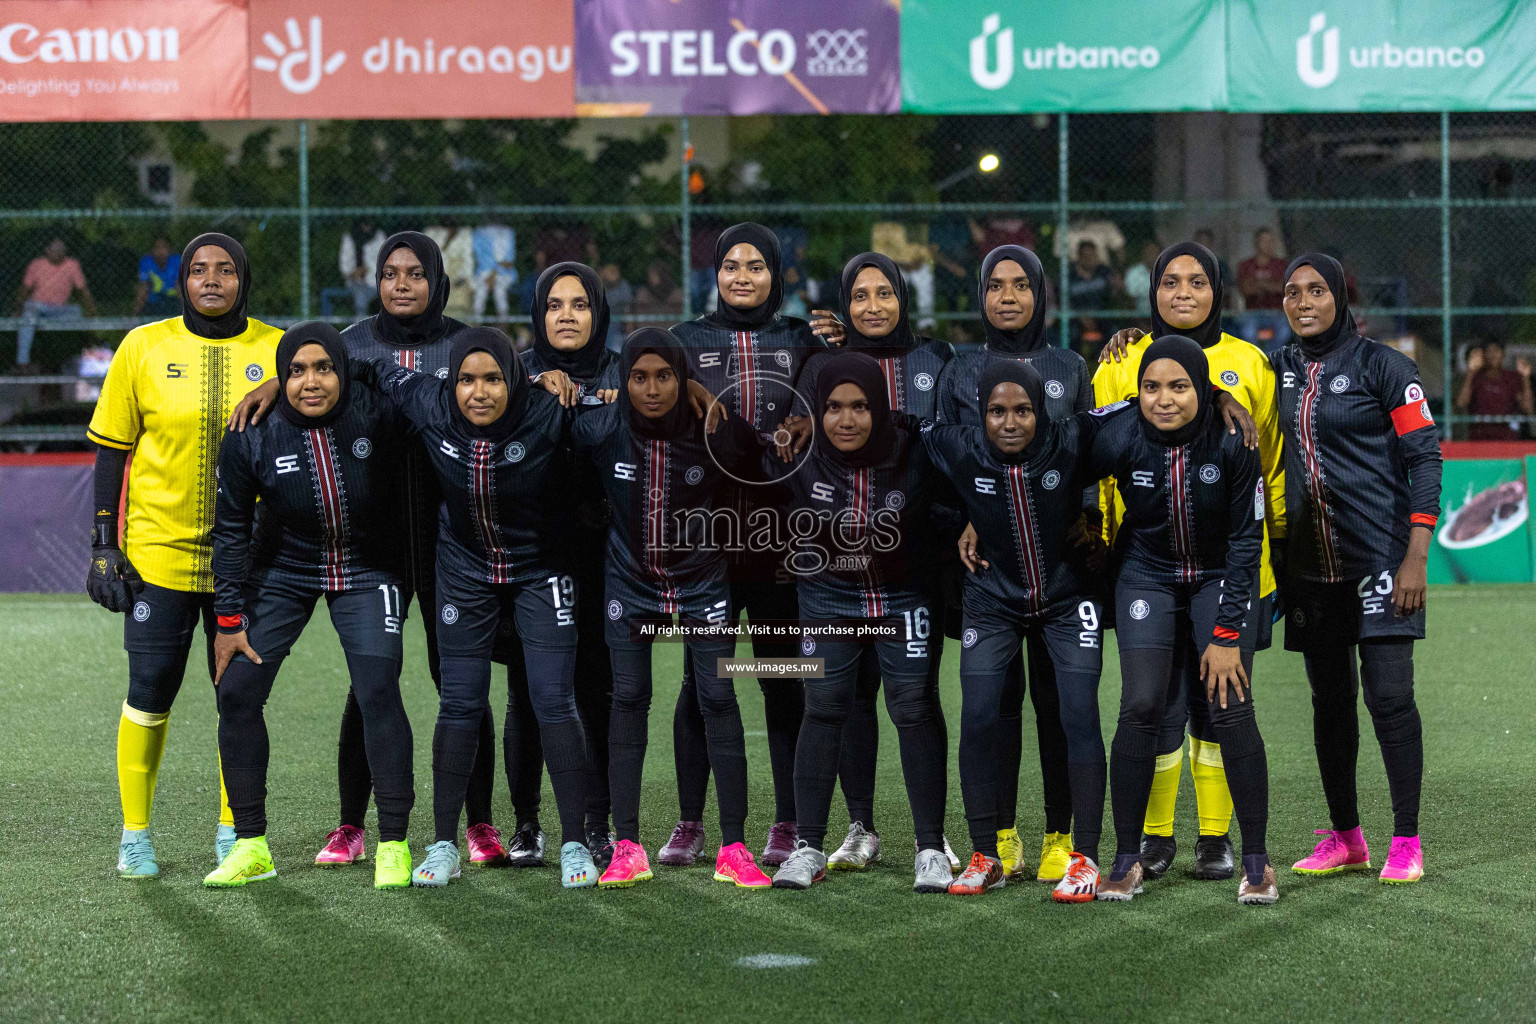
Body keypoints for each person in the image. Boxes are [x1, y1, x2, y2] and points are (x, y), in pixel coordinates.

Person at [346, 328, 594, 889]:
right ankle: (443, 846)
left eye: (493, 379)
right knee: (459, 703)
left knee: (553, 701)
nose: (477, 392)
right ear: (451, 382)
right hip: (463, 571)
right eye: (466, 380)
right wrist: (269, 390)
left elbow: (627, 413)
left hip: (541, 568)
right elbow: (362, 364)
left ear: (515, 380)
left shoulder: (552, 409)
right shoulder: (428, 401)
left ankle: (576, 842)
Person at [85, 232, 280, 879]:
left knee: (238, 696)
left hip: (244, 564)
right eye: (199, 269)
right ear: (183, 280)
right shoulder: (143, 346)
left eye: (226, 269)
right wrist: (104, 545)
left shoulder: (279, 350)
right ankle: (135, 835)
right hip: (158, 559)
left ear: (243, 280)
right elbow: (112, 450)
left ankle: (235, 831)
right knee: (149, 690)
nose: (213, 280)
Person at [1094, 241, 1284, 882]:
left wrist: (1271, 562)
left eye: (1197, 282)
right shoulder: (1122, 361)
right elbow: (1077, 451)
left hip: (1230, 568)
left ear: (1217, 289)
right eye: (1168, 282)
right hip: (1144, 565)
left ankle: (1221, 842)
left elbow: (1271, 469)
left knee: (1221, 704)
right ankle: (1144, 844)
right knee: (1151, 705)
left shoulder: (1250, 365)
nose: (1182, 293)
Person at [204, 324, 415, 890]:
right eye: (294, 371)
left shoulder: (378, 411)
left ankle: (394, 843)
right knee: (238, 691)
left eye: (324, 368)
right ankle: (251, 845)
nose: (310, 382)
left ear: (343, 371)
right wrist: (228, 619)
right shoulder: (251, 431)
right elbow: (227, 531)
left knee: (377, 690)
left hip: (369, 568)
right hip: (284, 568)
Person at [659, 223, 842, 869]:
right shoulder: (685, 341)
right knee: (699, 683)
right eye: (731, 264)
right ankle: (689, 821)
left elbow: (842, 404)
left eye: (756, 265)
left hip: (780, 537)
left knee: (780, 677)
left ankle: (788, 822)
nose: (742, 276)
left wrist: (843, 349)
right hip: (707, 538)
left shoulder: (804, 338)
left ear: (777, 273)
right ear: (715, 272)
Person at [573, 330, 769, 890]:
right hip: (629, 585)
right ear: (623, 380)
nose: (652, 389)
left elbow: (762, 455)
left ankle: (734, 846)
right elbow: (545, 427)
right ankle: (627, 845)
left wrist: (717, 406)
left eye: (665, 376)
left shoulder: (711, 429)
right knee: (629, 699)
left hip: (703, 582)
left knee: (718, 698)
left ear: (681, 378)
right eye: (639, 377)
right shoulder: (601, 426)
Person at [782, 253, 955, 874]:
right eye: (860, 295)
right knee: (834, 703)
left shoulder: (937, 365)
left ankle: (930, 843)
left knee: (913, 704)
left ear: (904, 299)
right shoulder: (818, 365)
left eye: (886, 293)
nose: (874, 305)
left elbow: (958, 457)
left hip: (910, 577)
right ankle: (844, 831)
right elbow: (776, 451)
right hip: (829, 587)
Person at [920, 360, 1117, 899]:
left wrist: (1218, 399)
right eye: (997, 411)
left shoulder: (1073, 437)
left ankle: (1086, 858)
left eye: (1024, 410)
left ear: (1043, 411)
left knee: (1078, 716)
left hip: (1067, 599)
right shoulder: (958, 445)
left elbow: (1136, 410)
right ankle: (986, 854)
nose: (1011, 422)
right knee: (979, 717)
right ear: (980, 415)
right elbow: (891, 426)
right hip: (991, 602)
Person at [1275, 254, 1441, 886]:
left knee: (1391, 696)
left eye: (1317, 290)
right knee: (1330, 701)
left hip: (1381, 558)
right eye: (1292, 293)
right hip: (1311, 567)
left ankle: (1406, 838)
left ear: (1340, 297)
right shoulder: (1280, 368)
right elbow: (1207, 376)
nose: (1303, 301)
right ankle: (1346, 837)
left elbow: (1424, 457)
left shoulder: (1386, 367)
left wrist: (1416, 555)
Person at [935, 245, 1091, 884]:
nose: (1007, 297)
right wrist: (972, 512)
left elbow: (1092, 444)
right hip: (987, 567)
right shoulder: (959, 369)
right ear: (980, 295)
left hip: (1060, 569)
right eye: (995, 285)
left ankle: (1061, 835)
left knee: (1058, 705)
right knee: (993, 705)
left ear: (1039, 293)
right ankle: (998, 836)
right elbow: (945, 458)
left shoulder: (1069, 365)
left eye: (1020, 285)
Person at [499, 263, 621, 870]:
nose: (567, 315)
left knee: (597, 688)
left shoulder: (623, 371)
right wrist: (527, 394)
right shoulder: (514, 371)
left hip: (604, 555)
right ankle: (527, 823)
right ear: (537, 315)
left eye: (579, 304)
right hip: (531, 554)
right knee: (526, 691)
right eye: (554, 305)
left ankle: (596, 821)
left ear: (598, 312)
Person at [14, 237, 96, 370]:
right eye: (55, 249)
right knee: (28, 315)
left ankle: (77, 356)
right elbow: (25, 289)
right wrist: (17, 308)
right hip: (39, 308)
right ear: (47, 250)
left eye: (62, 249)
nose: (59, 252)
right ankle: (22, 362)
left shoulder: (72, 264)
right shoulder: (37, 264)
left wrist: (92, 310)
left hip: (60, 309)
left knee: (77, 312)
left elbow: (82, 289)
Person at [1455, 339, 1532, 441]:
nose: (1493, 355)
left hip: (1507, 439)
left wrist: (1525, 378)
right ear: (1483, 355)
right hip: (1479, 438)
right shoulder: (1476, 377)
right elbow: (1461, 403)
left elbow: (1528, 409)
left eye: (1497, 351)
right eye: (1489, 351)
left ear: (1503, 354)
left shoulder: (1512, 378)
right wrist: (1471, 372)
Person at [1237, 227, 1290, 350]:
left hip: (1276, 312)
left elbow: (1284, 288)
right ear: (1256, 243)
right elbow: (1245, 290)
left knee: (1284, 332)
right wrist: (1271, 285)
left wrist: (1260, 284)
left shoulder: (1281, 264)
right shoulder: (1246, 265)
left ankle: (1271, 362)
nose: (1268, 245)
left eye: (1271, 241)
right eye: (1264, 241)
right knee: (1248, 332)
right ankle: (1256, 362)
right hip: (1253, 313)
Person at [472, 218, 517, 324]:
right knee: (480, 293)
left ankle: (503, 326)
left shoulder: (507, 233)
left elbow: (509, 263)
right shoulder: (479, 233)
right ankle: (476, 328)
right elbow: (480, 260)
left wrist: (494, 273)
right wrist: (491, 274)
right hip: (484, 273)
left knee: (499, 291)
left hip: (504, 274)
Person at [339, 220, 386, 317]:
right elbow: (344, 268)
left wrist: (368, 270)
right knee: (360, 295)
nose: (367, 228)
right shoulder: (349, 239)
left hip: (376, 283)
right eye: (364, 225)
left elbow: (385, 264)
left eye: (369, 225)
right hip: (355, 283)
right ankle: (360, 327)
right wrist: (354, 273)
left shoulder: (379, 237)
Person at [134, 236, 181, 317]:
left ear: (170, 249)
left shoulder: (177, 261)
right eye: (157, 247)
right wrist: (135, 313)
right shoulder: (146, 262)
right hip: (153, 302)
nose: (160, 251)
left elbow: (180, 287)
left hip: (172, 301)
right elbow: (143, 288)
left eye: (164, 247)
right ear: (152, 250)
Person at [1124, 240, 1160, 317]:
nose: (1152, 256)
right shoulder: (1133, 273)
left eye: (1154, 252)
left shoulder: (1168, 272)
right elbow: (1131, 300)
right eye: (1149, 253)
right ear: (1143, 254)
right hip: (1139, 317)